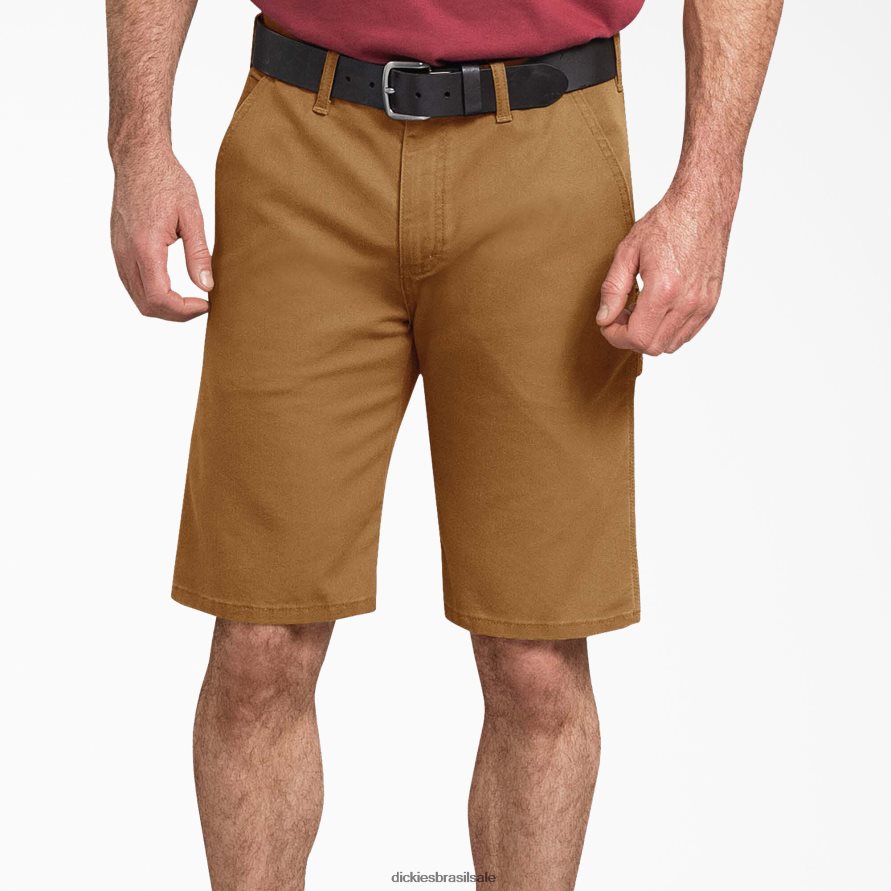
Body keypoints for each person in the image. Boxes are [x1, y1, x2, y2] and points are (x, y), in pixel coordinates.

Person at [106, 0, 782, 887]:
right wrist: (138, 143)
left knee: (535, 660)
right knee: (258, 642)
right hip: (303, 135)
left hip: (547, 143)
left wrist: (709, 188)